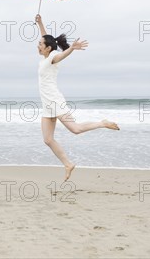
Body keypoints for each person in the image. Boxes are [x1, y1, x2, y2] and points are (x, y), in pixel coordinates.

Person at [35, 14, 119, 182]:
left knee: (75, 129)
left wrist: (71, 49)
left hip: (56, 102)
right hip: (47, 106)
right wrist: (40, 23)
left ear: (48, 48)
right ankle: (68, 164)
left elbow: (60, 55)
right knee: (48, 139)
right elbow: (47, 39)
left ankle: (102, 123)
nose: (38, 45)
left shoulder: (53, 57)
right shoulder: (45, 58)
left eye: (40, 44)